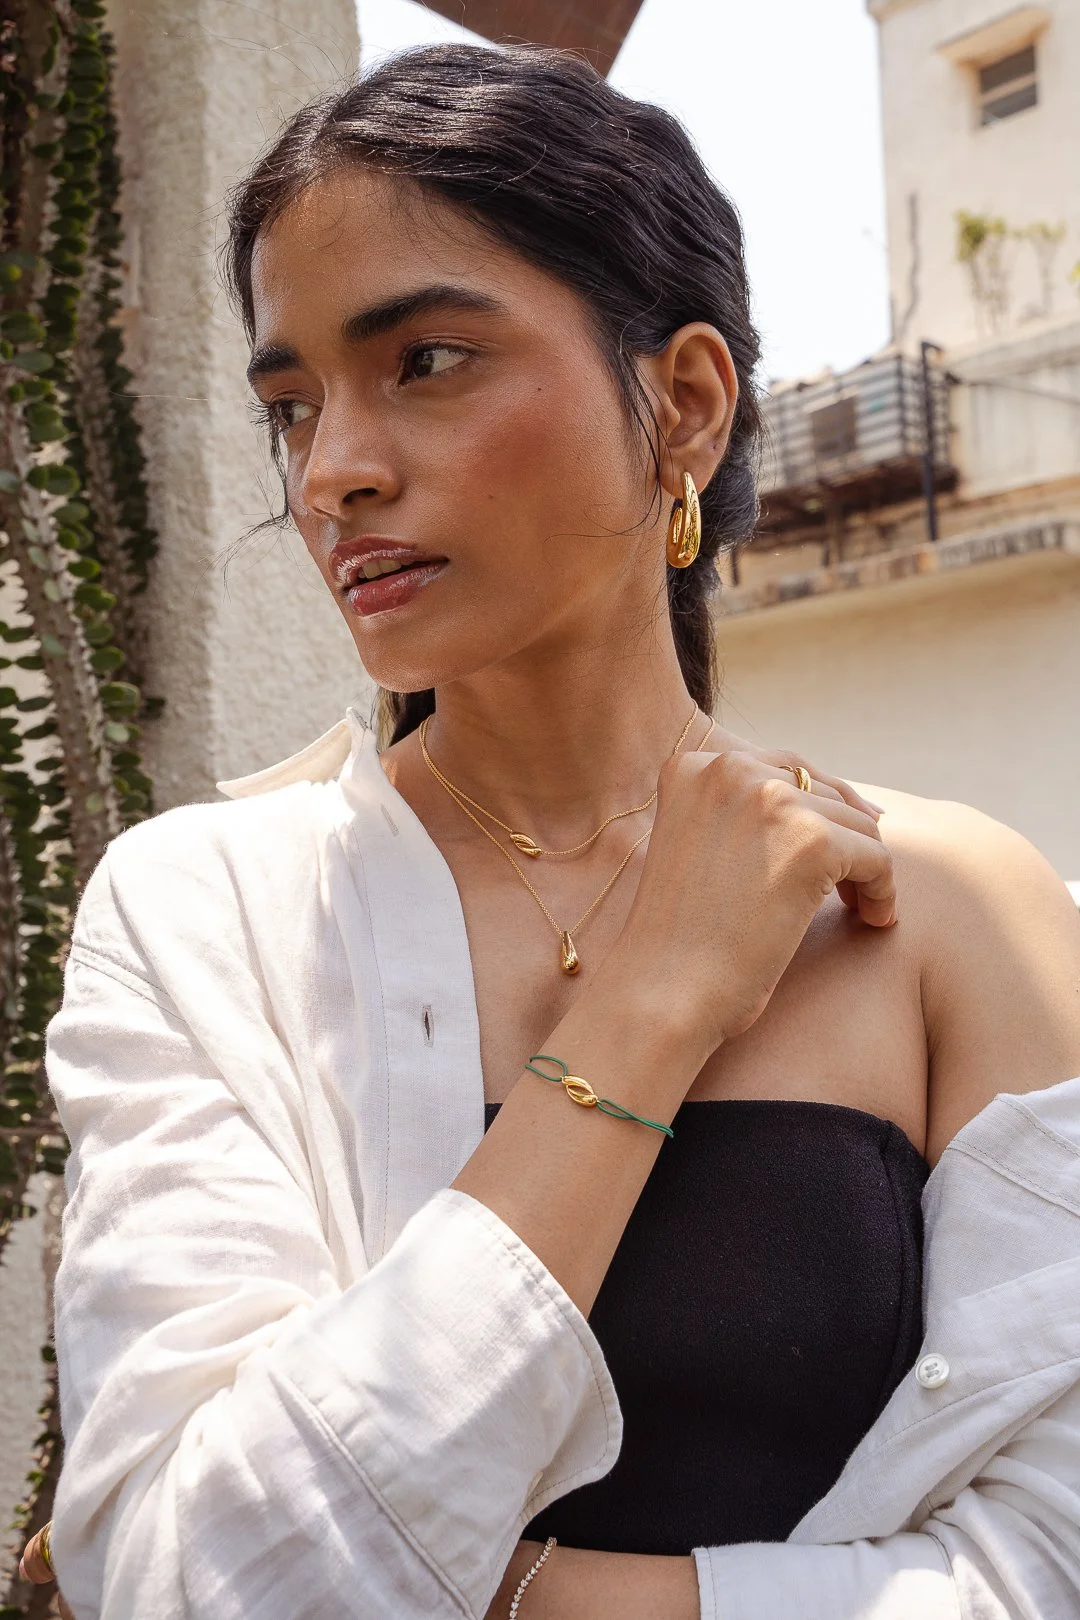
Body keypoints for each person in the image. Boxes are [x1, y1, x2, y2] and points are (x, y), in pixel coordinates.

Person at [18, 43, 1080, 1620]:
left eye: (427, 362)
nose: (333, 474)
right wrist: (650, 1012)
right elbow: (198, 1583)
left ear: (687, 406)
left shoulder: (947, 909)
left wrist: (518, 1597)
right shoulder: (201, 915)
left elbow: (1051, 1558)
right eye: (290, 407)